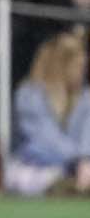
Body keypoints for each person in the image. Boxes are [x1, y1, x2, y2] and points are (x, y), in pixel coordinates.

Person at [5, 32, 90, 196]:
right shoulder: (29, 95)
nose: (82, 72)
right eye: (78, 67)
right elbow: (46, 138)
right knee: (22, 177)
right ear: (61, 66)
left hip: (81, 166)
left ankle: (75, 184)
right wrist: (77, 161)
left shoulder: (86, 96)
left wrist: (85, 160)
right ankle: (65, 185)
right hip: (39, 165)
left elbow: (88, 135)